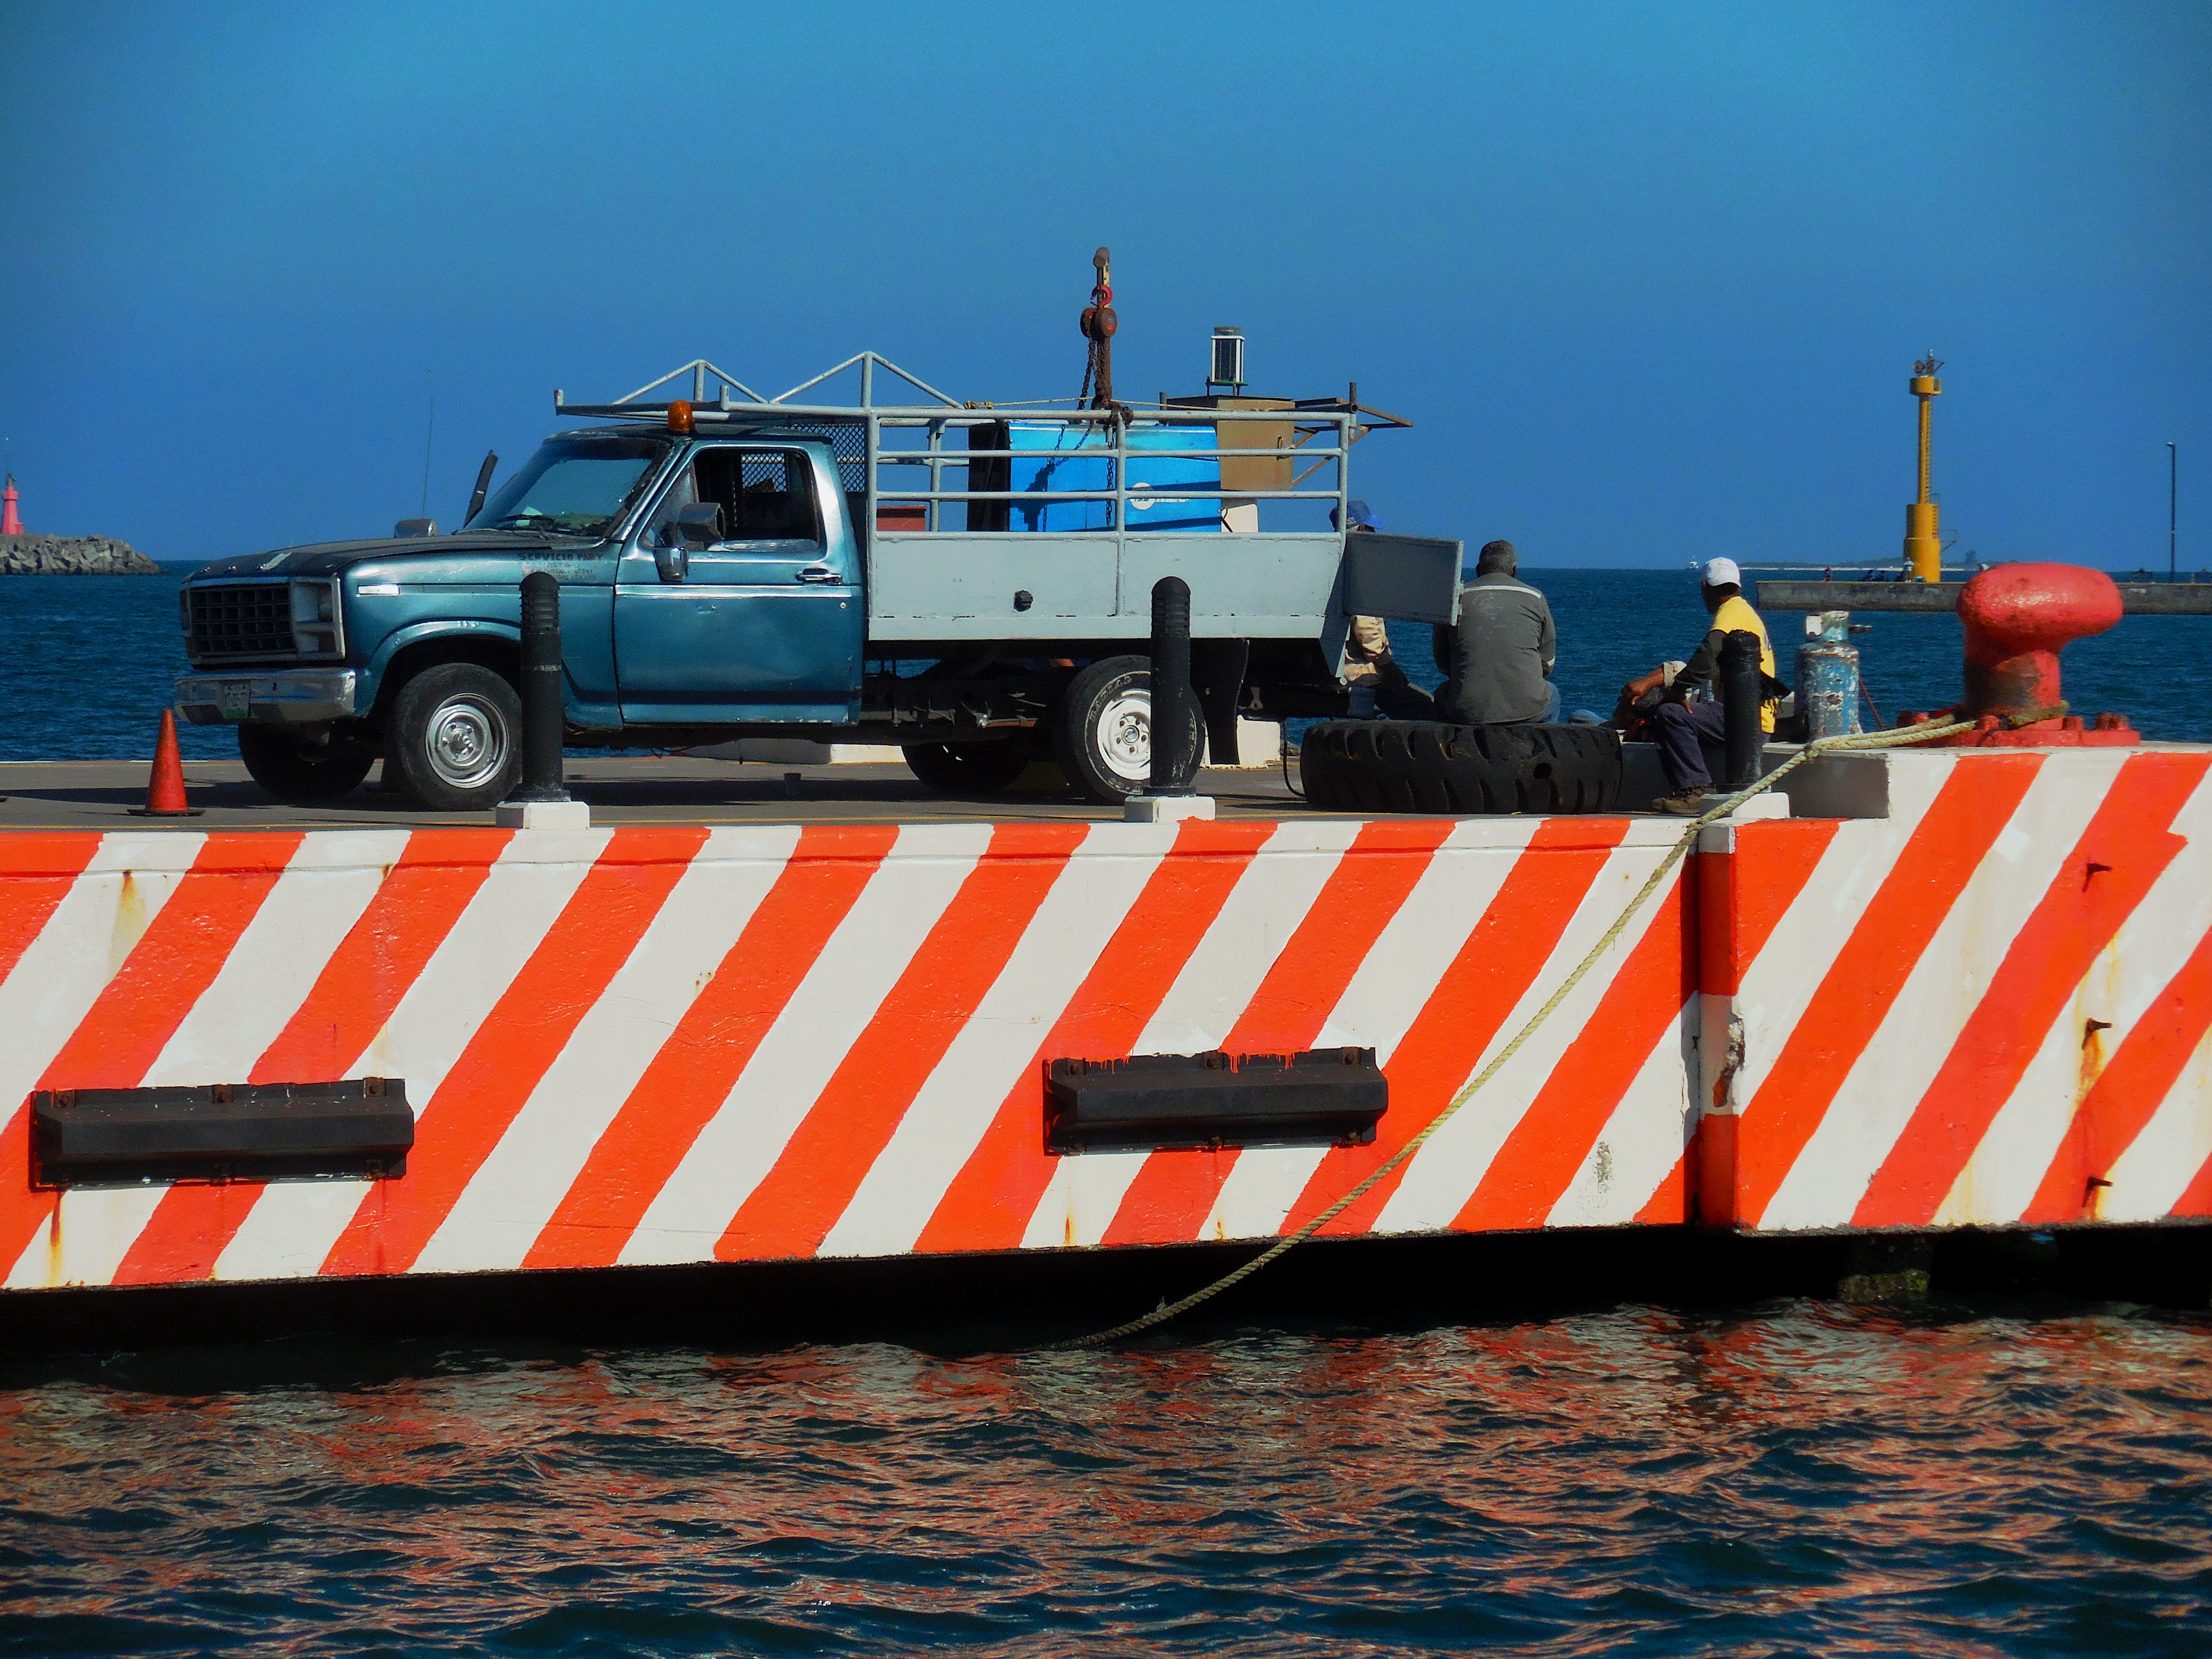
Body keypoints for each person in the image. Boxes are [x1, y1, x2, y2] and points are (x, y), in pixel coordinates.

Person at [1623, 557, 1779, 815]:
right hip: (1757, 717)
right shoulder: (1745, 611)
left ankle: (1695, 790)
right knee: (1685, 713)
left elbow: (1708, 657)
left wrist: (1676, 690)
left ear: (1705, 586)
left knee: (1669, 714)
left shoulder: (1730, 613)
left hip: (1746, 721)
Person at [1431, 540, 1560, 725]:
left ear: (1478, 569)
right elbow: (1547, 663)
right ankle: (1542, 742)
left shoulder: (1454, 599)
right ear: (1514, 571)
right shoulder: (1536, 597)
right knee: (1552, 694)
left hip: (1468, 712)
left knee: (1443, 694)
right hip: (1528, 709)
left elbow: (1443, 664)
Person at [1333, 500, 1432, 719]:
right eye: (1371, 528)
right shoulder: (1359, 570)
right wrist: (1389, 667)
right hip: (1361, 675)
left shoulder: (1333, 565)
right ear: (1361, 529)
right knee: (1426, 708)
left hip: (1338, 669)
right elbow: (1366, 630)